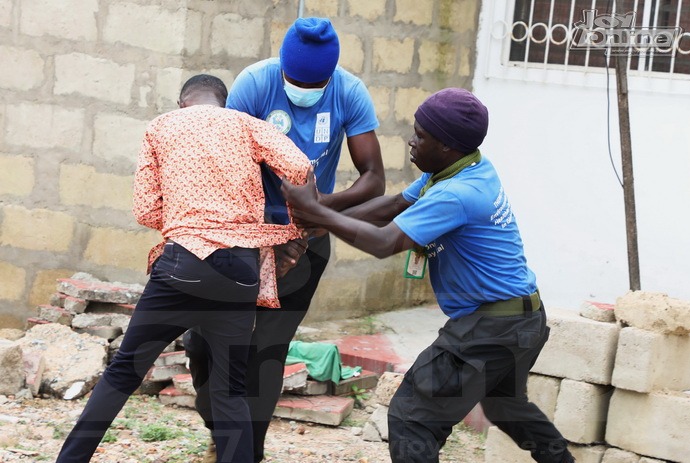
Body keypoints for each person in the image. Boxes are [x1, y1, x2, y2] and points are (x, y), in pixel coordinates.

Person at [281, 88, 576, 463]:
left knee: (411, 417)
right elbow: (391, 206)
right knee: (505, 407)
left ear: (448, 146)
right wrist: (316, 220)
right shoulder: (461, 169)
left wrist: (320, 214)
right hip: (523, 320)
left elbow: (385, 242)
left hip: (490, 328)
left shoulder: (457, 194)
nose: (411, 141)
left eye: (421, 135)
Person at [55, 74, 311, 463]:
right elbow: (298, 167)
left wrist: (185, 221)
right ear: (223, 103)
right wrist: (292, 228)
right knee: (230, 391)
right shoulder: (245, 124)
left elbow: (145, 210)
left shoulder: (160, 127)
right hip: (240, 270)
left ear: (181, 104)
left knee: (124, 372)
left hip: (182, 265)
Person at [183, 17, 385, 463]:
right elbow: (226, 169)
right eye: (295, 82)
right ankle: (221, 430)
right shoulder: (254, 85)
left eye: (315, 84)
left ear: (331, 76)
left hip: (307, 239)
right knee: (203, 342)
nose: (303, 91)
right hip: (238, 234)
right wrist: (261, 236)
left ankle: (246, 454)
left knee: (267, 351)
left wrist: (320, 212)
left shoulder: (349, 93)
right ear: (282, 68)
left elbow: (373, 178)